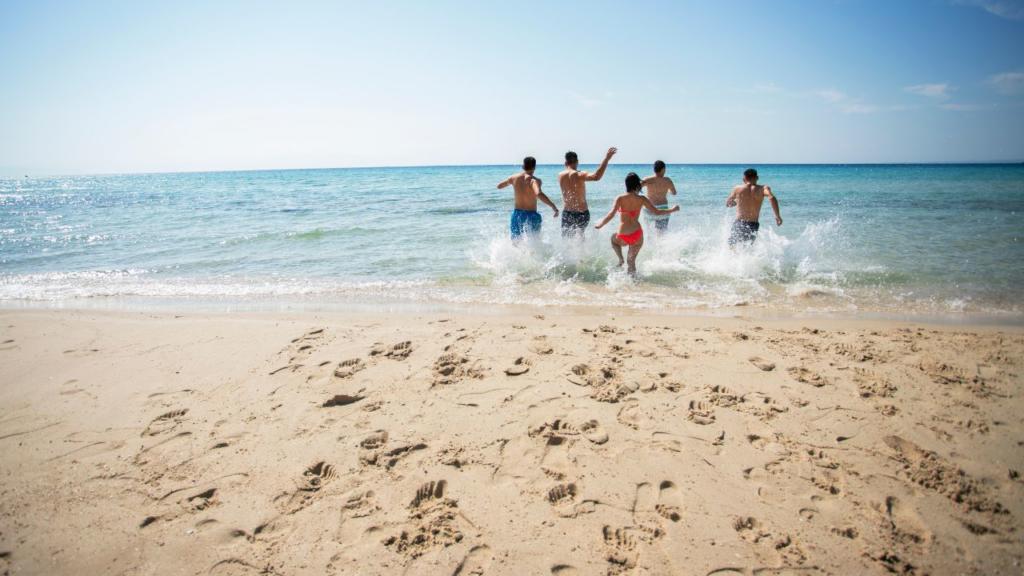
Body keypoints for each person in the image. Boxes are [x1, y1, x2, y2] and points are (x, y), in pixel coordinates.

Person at [594, 172, 679, 276]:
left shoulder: (620, 198)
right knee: (631, 262)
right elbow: (657, 212)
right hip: (637, 235)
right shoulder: (642, 199)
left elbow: (611, 214)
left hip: (623, 234)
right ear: (637, 185)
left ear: (626, 184)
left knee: (613, 239)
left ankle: (620, 259)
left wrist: (601, 224)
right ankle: (634, 282)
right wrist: (672, 210)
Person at [557, 147, 617, 237]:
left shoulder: (560, 175)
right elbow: (596, 176)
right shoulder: (579, 174)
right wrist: (606, 159)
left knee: (566, 238)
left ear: (565, 163)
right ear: (577, 162)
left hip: (567, 212)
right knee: (580, 237)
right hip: (582, 212)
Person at [498, 156, 559, 240]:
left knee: (516, 241)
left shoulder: (514, 178)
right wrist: (553, 206)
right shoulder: (534, 181)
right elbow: (538, 194)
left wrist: (512, 182)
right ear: (534, 167)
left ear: (523, 166)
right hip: (531, 215)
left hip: (517, 215)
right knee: (534, 241)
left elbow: (499, 186)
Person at [725, 168, 782, 246]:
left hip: (739, 223)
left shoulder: (737, 188)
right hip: (753, 224)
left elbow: (728, 203)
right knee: (747, 248)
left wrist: (735, 203)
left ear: (744, 178)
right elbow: (772, 198)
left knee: (732, 245)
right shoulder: (763, 189)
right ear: (757, 178)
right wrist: (777, 216)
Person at [641, 160, 677, 234]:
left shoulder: (648, 180)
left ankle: (648, 241)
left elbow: (636, 189)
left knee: (647, 231)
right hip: (663, 209)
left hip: (650, 209)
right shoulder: (668, 180)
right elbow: (674, 193)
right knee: (661, 233)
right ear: (663, 169)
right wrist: (668, 191)